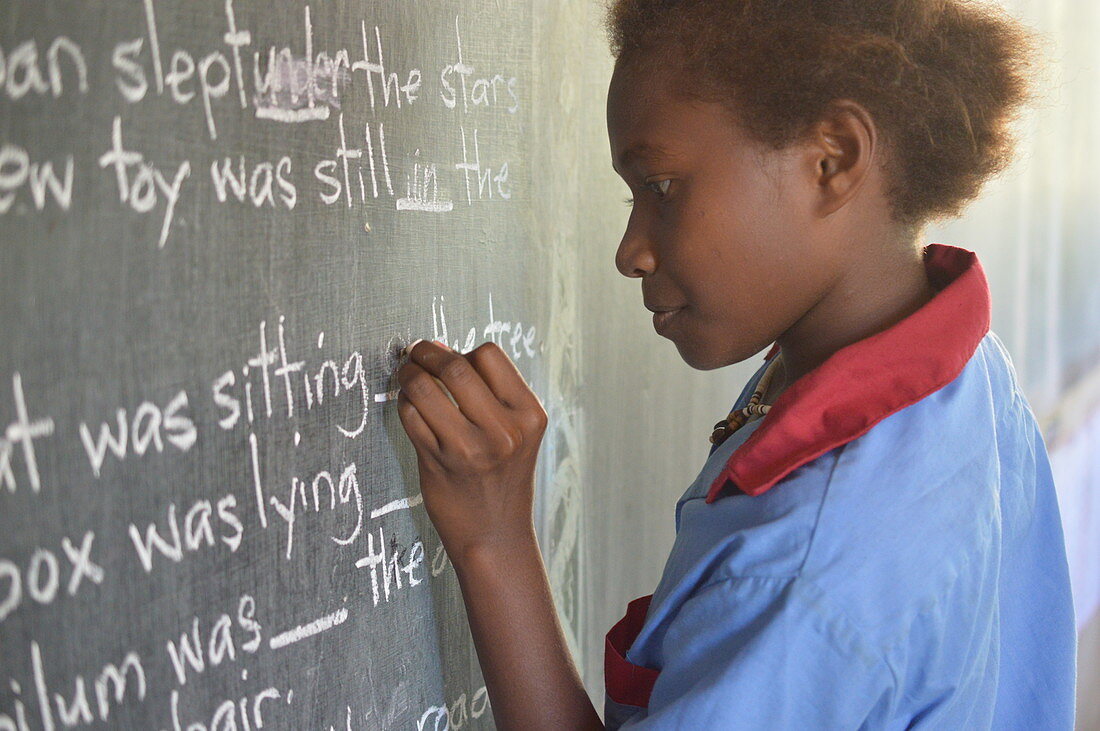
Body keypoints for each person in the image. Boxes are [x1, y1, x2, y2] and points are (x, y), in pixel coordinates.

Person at [395, 0, 1077, 727]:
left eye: (660, 188)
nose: (631, 250)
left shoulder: (802, 576)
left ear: (832, 160)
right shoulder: (967, 370)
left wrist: (494, 541)